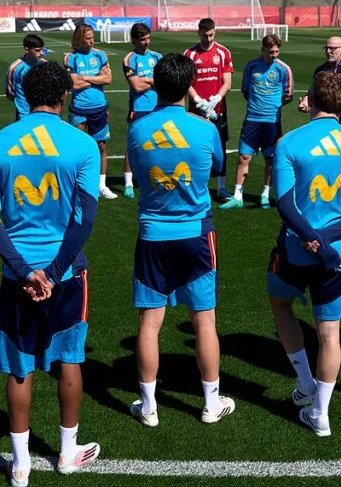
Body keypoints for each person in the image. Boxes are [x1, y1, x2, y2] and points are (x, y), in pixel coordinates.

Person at [0, 61, 102, 487]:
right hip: (65, 275)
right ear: (64, 96)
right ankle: (67, 453)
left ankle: (20, 464)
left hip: (18, 277)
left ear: (24, 96)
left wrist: (24, 270)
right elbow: (85, 218)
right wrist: (52, 271)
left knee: (19, 366)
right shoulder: (82, 144)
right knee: (69, 359)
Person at [267, 72, 341, 436]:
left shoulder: (290, 142)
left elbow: (284, 203)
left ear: (312, 100)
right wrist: (326, 238)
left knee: (280, 303)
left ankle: (305, 382)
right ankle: (320, 413)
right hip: (337, 252)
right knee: (330, 333)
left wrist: (310, 237)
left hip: (295, 247)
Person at [126, 53, 234, 427]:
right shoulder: (204, 128)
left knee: (149, 321)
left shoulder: (137, 129)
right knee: (204, 320)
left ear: (156, 83)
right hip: (196, 233)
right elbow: (217, 166)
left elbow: (139, 171)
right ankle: (211, 403)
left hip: (153, 233)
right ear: (189, 86)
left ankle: (148, 407)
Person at [219, 34, 293, 210]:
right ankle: (238, 196)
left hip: (272, 121)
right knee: (243, 157)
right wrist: (257, 106)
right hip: (252, 119)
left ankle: (265, 195)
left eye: (277, 51)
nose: (274, 55)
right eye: (271, 52)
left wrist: (271, 106)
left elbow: (288, 95)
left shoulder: (283, 69)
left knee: (270, 159)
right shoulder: (251, 66)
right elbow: (245, 91)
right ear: (263, 50)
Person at [65, 24, 116, 199]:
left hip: (99, 107)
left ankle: (101, 186)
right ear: (79, 39)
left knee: (101, 146)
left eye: (93, 37)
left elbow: (108, 79)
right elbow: (73, 84)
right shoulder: (71, 58)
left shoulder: (100, 55)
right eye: (88, 38)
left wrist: (84, 77)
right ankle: (77, 184)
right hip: (79, 108)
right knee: (78, 147)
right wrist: (97, 78)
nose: (92, 41)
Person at [184, 18, 234, 200]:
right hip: (196, 112)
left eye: (211, 35)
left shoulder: (223, 52)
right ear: (199, 33)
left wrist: (214, 101)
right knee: (196, 149)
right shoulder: (189, 54)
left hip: (218, 111)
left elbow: (227, 82)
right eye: (205, 35)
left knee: (220, 149)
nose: (209, 39)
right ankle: (198, 187)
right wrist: (200, 102)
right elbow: (187, 83)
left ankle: (221, 188)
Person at [121, 23, 160, 199]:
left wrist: (146, 79)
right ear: (134, 40)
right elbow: (136, 87)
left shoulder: (157, 57)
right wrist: (153, 80)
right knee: (134, 145)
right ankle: (128, 183)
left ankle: (152, 176)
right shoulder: (129, 59)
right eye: (143, 39)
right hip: (139, 108)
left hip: (158, 107)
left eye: (148, 38)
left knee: (157, 144)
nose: (147, 42)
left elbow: (162, 81)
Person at [298, 36, 341, 132]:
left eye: (332, 48)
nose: (328, 51)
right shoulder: (321, 70)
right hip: (321, 121)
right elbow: (312, 92)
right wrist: (306, 103)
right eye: (326, 48)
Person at [6, 34, 46, 121]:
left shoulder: (44, 64)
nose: (42, 53)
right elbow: (11, 92)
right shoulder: (15, 68)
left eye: (42, 49)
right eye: (37, 50)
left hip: (42, 112)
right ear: (27, 50)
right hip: (24, 114)